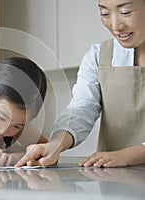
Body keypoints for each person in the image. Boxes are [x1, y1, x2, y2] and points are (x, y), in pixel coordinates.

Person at [15, 0, 145, 168]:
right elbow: (82, 109)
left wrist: (128, 156)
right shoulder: (98, 56)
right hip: (116, 180)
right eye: (104, 13)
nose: (116, 25)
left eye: (126, 12)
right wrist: (56, 144)